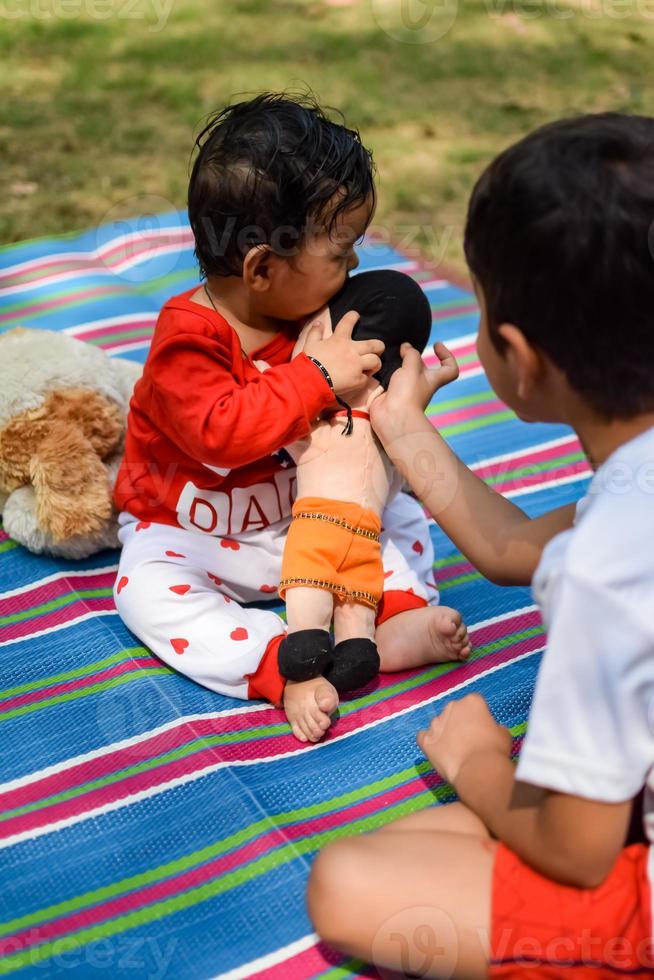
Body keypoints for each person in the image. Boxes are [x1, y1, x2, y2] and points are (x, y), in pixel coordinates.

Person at [307, 112, 654, 977]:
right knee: (436, 838)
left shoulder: (608, 570)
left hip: (618, 853)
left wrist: (477, 766)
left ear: (517, 356)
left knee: (348, 881)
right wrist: (399, 423)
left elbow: (576, 852)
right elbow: (514, 547)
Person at [113, 92, 470, 745]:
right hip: (192, 529)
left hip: (304, 518)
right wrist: (315, 376)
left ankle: (391, 621)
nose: (354, 266)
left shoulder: (315, 324)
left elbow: (354, 430)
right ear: (261, 268)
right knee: (144, 588)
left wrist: (403, 395)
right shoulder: (186, 340)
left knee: (397, 511)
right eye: (340, 253)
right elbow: (218, 435)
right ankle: (277, 662)